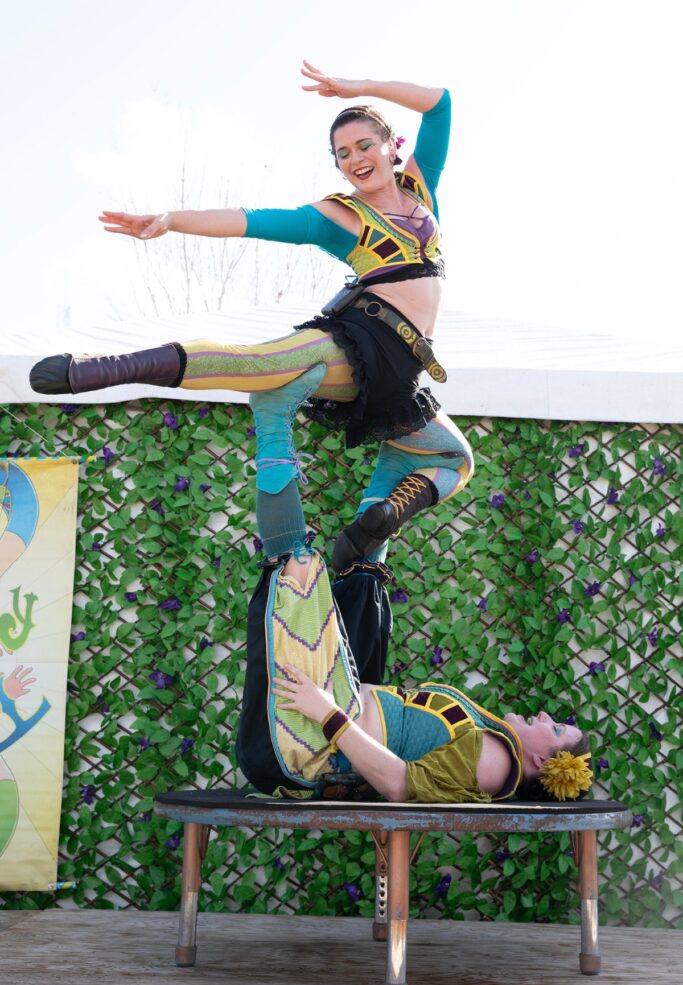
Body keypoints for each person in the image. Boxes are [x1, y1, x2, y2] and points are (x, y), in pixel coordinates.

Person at [30, 62, 473, 572]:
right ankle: (103, 368)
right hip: (363, 340)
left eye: (364, 146)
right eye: (343, 154)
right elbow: (252, 222)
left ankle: (378, 522)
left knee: (455, 460)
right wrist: (172, 221)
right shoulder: (341, 216)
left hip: (406, 366)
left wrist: (357, 87)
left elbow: (440, 103)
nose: (355, 159)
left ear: (391, 147)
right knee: (260, 364)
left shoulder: (421, 190)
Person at [237, 548, 593, 804]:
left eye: (556, 728)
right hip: (315, 717)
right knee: (363, 580)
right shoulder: (495, 742)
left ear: (544, 763)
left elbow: (399, 786)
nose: (546, 716)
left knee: (295, 563)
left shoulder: (496, 763)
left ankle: (275, 444)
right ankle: (377, 526)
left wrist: (327, 714)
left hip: (300, 741)